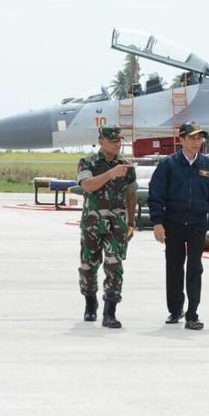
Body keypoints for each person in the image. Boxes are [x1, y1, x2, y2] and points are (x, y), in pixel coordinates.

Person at [147, 121, 209, 330]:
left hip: (198, 224)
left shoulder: (208, 165)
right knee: (174, 267)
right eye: (192, 138)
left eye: (200, 138)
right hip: (174, 223)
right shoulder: (168, 165)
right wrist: (157, 223)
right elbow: (156, 195)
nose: (197, 142)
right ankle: (175, 309)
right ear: (181, 140)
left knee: (195, 268)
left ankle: (192, 313)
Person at [76, 125, 137, 329]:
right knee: (88, 266)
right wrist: (111, 173)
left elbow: (131, 195)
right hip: (93, 223)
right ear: (101, 141)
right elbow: (87, 186)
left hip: (116, 225)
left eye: (119, 141)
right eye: (113, 141)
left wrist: (130, 223)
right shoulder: (87, 162)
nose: (117, 144)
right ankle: (90, 301)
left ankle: (110, 311)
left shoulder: (127, 167)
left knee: (114, 267)